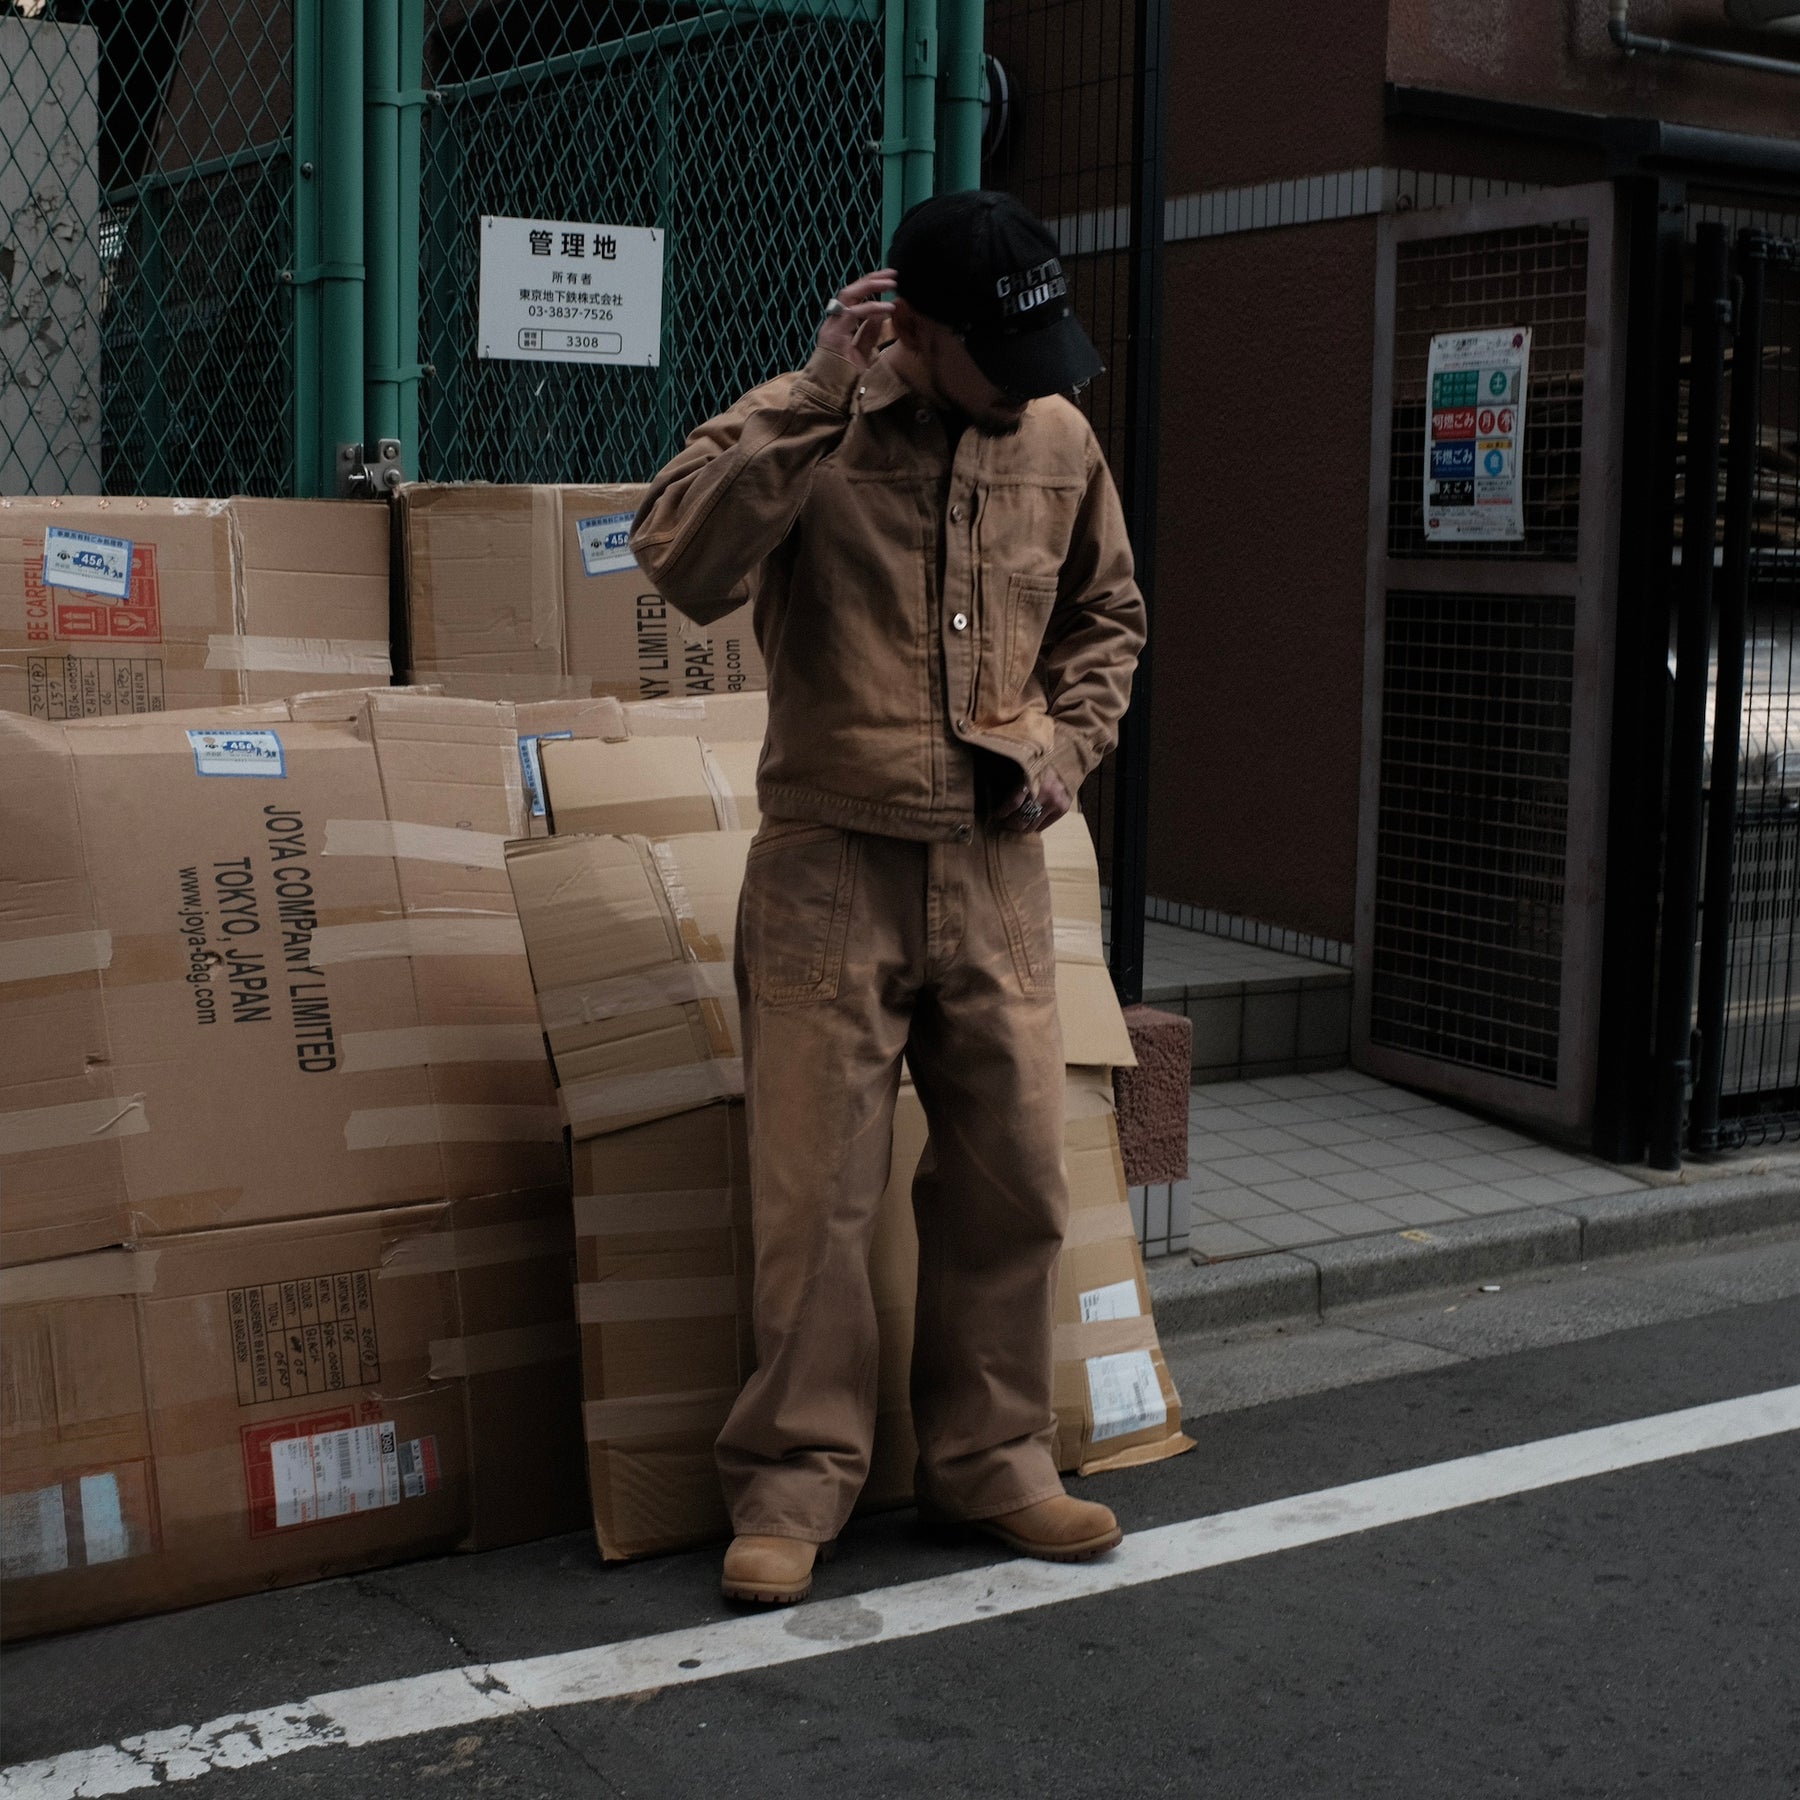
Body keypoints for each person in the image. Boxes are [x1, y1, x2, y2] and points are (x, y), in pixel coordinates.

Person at [630, 190, 1146, 1605]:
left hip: (996, 865)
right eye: (1004, 358)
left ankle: (993, 1462)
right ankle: (795, 1485)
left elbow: (1111, 615)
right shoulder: (805, 421)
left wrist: (1062, 748)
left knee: (1014, 1184)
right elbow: (679, 561)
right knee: (816, 1205)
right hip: (828, 868)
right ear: (908, 329)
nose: (1038, 387)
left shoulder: (1056, 433)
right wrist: (811, 395)